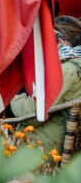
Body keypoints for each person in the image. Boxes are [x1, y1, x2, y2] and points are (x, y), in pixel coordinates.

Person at [9, 15, 81, 150]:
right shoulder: (75, 65)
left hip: (41, 147)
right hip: (59, 144)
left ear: (60, 42)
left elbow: (31, 115)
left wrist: (13, 93)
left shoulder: (65, 71)